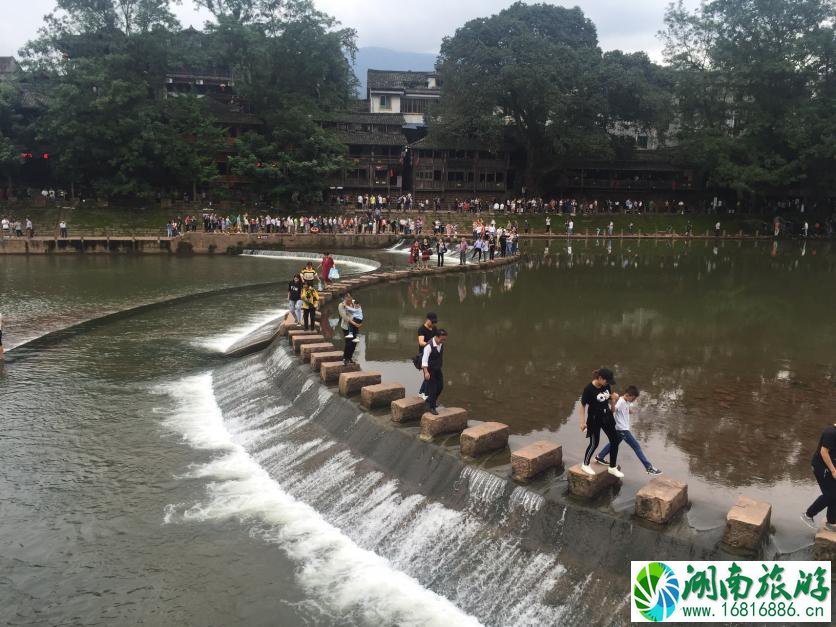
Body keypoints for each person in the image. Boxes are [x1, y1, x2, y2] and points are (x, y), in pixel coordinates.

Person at [595, 386, 661, 475]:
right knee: (636, 447)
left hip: (620, 429)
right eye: (633, 399)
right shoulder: (621, 401)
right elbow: (613, 410)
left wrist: (629, 410)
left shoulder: (626, 401)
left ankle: (600, 456)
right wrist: (613, 401)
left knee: (614, 443)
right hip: (623, 429)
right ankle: (648, 468)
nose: (633, 400)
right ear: (628, 395)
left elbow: (625, 406)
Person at [579, 367, 623, 477]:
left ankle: (612, 467)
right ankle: (585, 464)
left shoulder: (606, 386)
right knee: (594, 443)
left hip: (607, 416)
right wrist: (582, 422)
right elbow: (583, 405)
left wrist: (613, 400)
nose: (608, 383)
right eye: (606, 381)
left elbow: (611, 406)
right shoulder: (588, 389)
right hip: (594, 418)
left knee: (615, 440)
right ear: (600, 378)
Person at [802, 422, 836, 532]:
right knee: (830, 494)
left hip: (830, 467)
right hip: (821, 467)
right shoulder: (830, 433)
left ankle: (831, 522)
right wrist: (833, 470)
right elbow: (824, 452)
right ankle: (808, 515)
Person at [421, 329, 448, 415]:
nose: (443, 341)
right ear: (436, 337)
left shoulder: (441, 344)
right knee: (432, 389)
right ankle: (431, 407)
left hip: (437, 369)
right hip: (430, 370)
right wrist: (426, 372)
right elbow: (424, 361)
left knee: (440, 386)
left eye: (444, 339)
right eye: (442, 339)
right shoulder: (429, 346)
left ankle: (430, 400)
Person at [417, 312, 438, 399]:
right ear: (427, 319)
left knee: (430, 375)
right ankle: (425, 394)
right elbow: (421, 342)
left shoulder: (434, 328)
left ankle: (422, 393)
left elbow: (437, 339)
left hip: (433, 355)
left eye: (434, 322)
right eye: (431, 322)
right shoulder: (421, 329)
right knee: (428, 375)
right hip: (424, 355)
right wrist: (431, 345)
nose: (433, 324)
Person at [338, 292, 357, 364]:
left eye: (350, 297)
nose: (349, 298)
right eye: (347, 297)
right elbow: (344, 317)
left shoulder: (354, 303)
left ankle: (350, 357)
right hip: (346, 326)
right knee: (348, 343)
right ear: (345, 298)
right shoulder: (341, 305)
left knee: (354, 342)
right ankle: (345, 358)